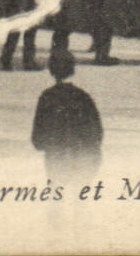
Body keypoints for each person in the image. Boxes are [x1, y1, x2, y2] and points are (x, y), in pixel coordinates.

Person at [31, 49, 103, 181]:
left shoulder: (47, 97)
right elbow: (96, 132)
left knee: (57, 194)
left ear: (51, 70)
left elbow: (38, 137)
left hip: (56, 156)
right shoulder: (83, 96)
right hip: (81, 157)